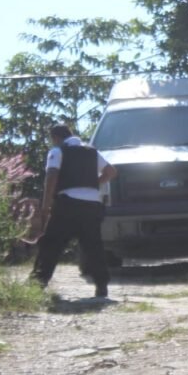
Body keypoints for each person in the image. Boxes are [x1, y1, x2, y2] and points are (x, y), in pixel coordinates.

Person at [31, 123, 117, 298]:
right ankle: (101, 286)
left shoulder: (57, 151)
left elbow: (52, 176)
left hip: (68, 204)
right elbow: (111, 172)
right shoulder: (92, 152)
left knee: (51, 243)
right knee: (93, 246)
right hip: (92, 205)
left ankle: (38, 282)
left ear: (55, 138)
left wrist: (46, 206)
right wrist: (92, 183)